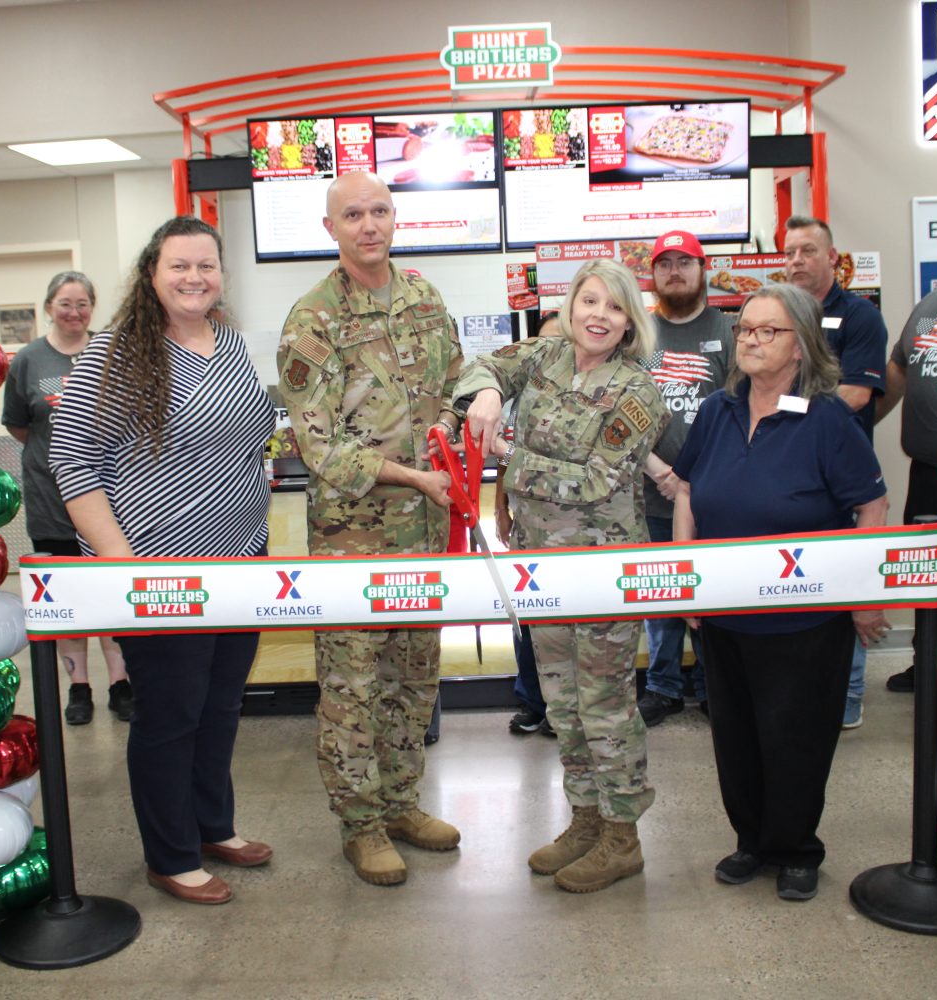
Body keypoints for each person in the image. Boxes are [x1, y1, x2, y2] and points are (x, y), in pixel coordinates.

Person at [50, 217, 275, 906]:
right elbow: (72, 457)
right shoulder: (116, 354)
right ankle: (171, 855)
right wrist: (120, 561)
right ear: (151, 273)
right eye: (179, 265)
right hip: (159, 572)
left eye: (206, 265)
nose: (194, 278)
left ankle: (213, 826)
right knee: (171, 714)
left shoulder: (231, 343)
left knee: (220, 708)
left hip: (239, 562)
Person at [672, 283, 889, 902]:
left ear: (801, 347)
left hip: (803, 621)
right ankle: (751, 841)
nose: (752, 340)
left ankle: (796, 849)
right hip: (726, 617)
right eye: (745, 330)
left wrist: (861, 594)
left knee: (794, 737)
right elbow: (686, 491)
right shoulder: (717, 410)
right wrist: (687, 580)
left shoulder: (827, 420)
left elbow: (871, 505)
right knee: (735, 737)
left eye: (769, 331)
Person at [277, 171, 463, 888]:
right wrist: (415, 476)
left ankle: (401, 803)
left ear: (395, 218)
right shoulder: (313, 319)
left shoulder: (423, 296)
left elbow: (449, 384)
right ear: (331, 229)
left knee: (414, 677)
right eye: (352, 214)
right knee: (353, 683)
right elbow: (318, 447)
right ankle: (360, 825)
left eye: (379, 210)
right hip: (353, 536)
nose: (368, 225)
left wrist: (452, 427)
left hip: (426, 528)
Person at [459, 259, 666, 894]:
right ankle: (585, 821)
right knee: (562, 701)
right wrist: (490, 392)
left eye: (614, 306)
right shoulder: (545, 355)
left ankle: (622, 835)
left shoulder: (638, 392)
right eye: (589, 301)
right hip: (539, 566)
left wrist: (510, 462)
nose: (598, 315)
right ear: (571, 307)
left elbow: (600, 479)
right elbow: (485, 366)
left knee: (606, 705)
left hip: (601, 569)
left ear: (630, 322)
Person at [2, 271, 131, 726]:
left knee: (112, 594)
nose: (74, 313)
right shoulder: (28, 361)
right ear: (48, 307)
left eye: (82, 304)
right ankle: (79, 687)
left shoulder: (110, 353)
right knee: (69, 601)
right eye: (65, 304)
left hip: (109, 501)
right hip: (50, 501)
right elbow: (19, 425)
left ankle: (120, 682)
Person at [783, 215, 889, 729]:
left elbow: (855, 393)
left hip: (842, 476)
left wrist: (789, 417)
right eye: (790, 252)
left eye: (808, 250)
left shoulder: (860, 317)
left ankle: (847, 698)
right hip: (791, 478)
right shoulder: (785, 316)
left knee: (847, 577)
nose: (797, 260)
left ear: (832, 257)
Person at [635, 231, 733, 727]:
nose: (674, 271)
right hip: (652, 492)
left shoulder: (730, 330)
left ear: (703, 269)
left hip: (714, 495)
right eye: (664, 263)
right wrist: (662, 472)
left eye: (684, 262)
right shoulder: (638, 336)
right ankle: (664, 685)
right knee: (662, 594)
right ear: (652, 274)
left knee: (712, 591)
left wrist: (695, 481)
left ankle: (714, 683)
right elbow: (622, 416)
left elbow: (742, 413)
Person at [877, 224, 937, 692]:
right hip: (927, 470)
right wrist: (864, 421)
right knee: (927, 569)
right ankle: (929, 663)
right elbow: (900, 366)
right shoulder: (930, 305)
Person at [500, 310, 561, 739]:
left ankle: (563, 710)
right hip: (526, 528)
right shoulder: (522, 399)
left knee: (567, 621)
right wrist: (501, 510)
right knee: (526, 616)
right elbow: (504, 463)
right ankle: (533, 701)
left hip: (574, 532)